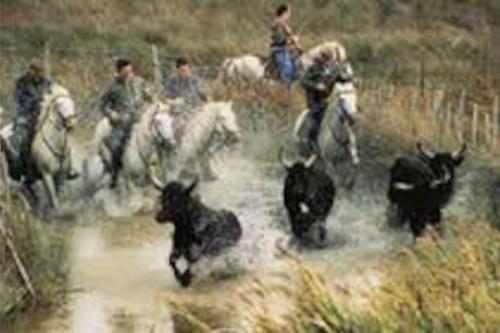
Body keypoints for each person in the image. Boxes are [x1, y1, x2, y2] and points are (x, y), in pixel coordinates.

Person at [99, 58, 155, 187]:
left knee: (159, 138)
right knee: (115, 145)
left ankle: (157, 171)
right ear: (119, 71)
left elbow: (150, 96)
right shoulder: (112, 87)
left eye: (130, 70)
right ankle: (115, 174)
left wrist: (152, 98)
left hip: (140, 120)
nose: (130, 73)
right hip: (122, 124)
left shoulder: (140, 82)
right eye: (126, 71)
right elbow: (103, 105)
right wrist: (112, 113)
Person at [12, 63, 52, 179]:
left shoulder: (47, 82)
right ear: (30, 70)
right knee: (23, 137)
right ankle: (21, 165)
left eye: (40, 71)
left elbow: (52, 94)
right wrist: (35, 101)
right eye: (35, 71)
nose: (38, 74)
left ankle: (66, 165)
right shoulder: (22, 82)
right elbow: (19, 98)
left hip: (43, 114)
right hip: (26, 115)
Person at [300, 49, 338, 154]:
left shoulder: (334, 69)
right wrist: (315, 85)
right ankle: (313, 143)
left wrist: (352, 79)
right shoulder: (314, 69)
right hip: (316, 100)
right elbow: (303, 81)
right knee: (316, 119)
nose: (329, 62)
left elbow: (341, 77)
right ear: (322, 59)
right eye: (326, 59)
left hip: (330, 99)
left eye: (331, 59)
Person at [268, 4, 300, 86]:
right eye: (288, 13)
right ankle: (285, 85)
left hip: (284, 48)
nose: (289, 16)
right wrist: (291, 41)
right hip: (278, 49)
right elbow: (279, 38)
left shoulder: (284, 24)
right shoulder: (277, 23)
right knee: (287, 66)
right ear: (284, 13)